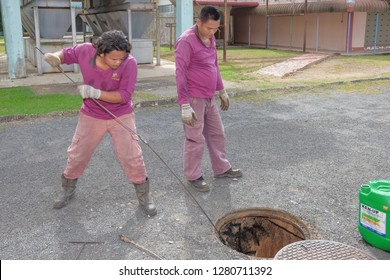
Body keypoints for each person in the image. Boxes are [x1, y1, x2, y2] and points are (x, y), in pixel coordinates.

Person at [44, 30, 157, 216]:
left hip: (121, 115)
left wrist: (95, 93)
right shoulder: (85, 51)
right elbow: (66, 54)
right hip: (91, 114)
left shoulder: (129, 63)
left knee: (132, 156)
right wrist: (54, 56)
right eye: (114, 59)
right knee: (78, 153)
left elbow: (124, 96)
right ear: (100, 52)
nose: (118, 62)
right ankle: (67, 190)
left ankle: (144, 196)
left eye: (121, 58)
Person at [174, 6, 242, 192]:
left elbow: (214, 65)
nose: (212, 33)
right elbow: (180, 73)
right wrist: (184, 104)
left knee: (217, 133)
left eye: (215, 29)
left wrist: (221, 89)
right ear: (198, 22)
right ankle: (193, 176)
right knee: (195, 139)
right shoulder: (186, 41)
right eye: (208, 28)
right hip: (194, 98)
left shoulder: (210, 38)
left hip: (210, 96)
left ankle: (221, 168)